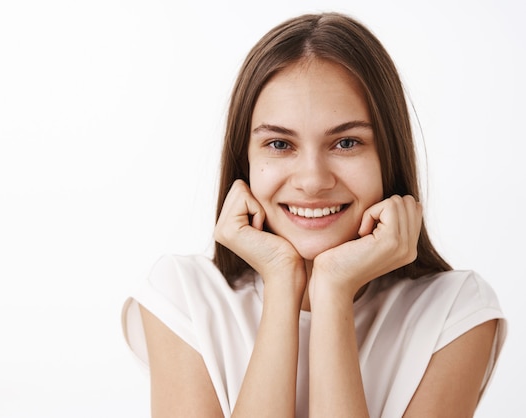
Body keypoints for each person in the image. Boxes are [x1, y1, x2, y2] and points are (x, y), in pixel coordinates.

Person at [121, 12, 506, 418]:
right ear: (244, 160)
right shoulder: (183, 297)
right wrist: (282, 282)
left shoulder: (455, 312)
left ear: (387, 156)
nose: (312, 180)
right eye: (279, 144)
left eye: (345, 142)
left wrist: (334, 291)